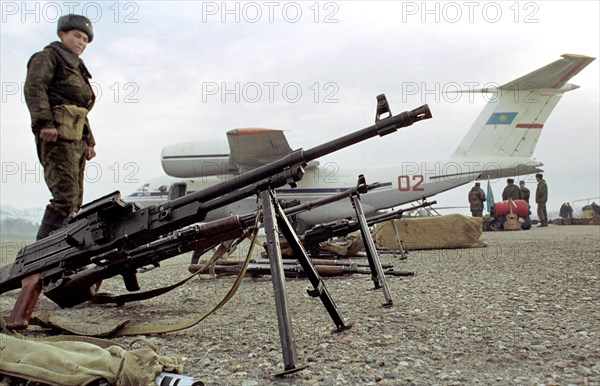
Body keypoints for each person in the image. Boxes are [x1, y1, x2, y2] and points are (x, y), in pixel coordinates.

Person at [25, 14, 96, 240]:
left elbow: (80, 109)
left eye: (85, 39)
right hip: (56, 137)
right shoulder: (48, 57)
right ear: (62, 34)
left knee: (75, 201)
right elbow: (35, 88)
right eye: (77, 36)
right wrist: (44, 123)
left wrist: (89, 142)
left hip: (76, 139)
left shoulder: (78, 68)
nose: (81, 42)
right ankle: (39, 258)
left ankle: (63, 255)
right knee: (64, 198)